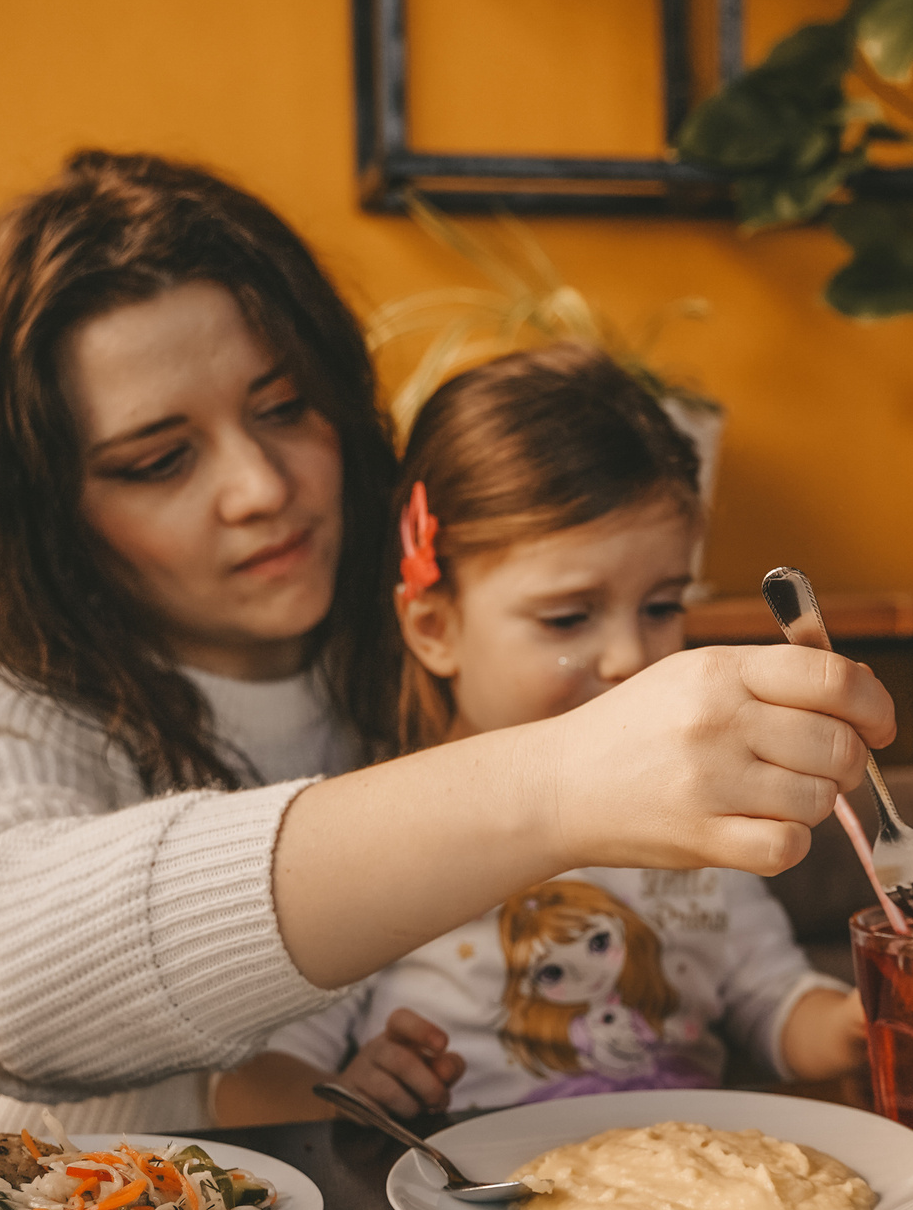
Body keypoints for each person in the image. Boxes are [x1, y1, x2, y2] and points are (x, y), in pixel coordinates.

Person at [0, 153, 890, 1136]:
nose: (262, 489)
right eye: (160, 460)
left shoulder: (416, 649)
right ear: (44, 515)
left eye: (286, 408)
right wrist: (558, 785)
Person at [218, 344, 870, 1120]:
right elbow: (253, 1084)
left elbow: (771, 1000)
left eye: (661, 605)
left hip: (689, 1203)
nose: (632, 656)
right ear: (434, 628)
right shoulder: (373, 842)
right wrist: (357, 1098)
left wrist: (855, 1026)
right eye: (568, 617)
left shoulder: (703, 821)